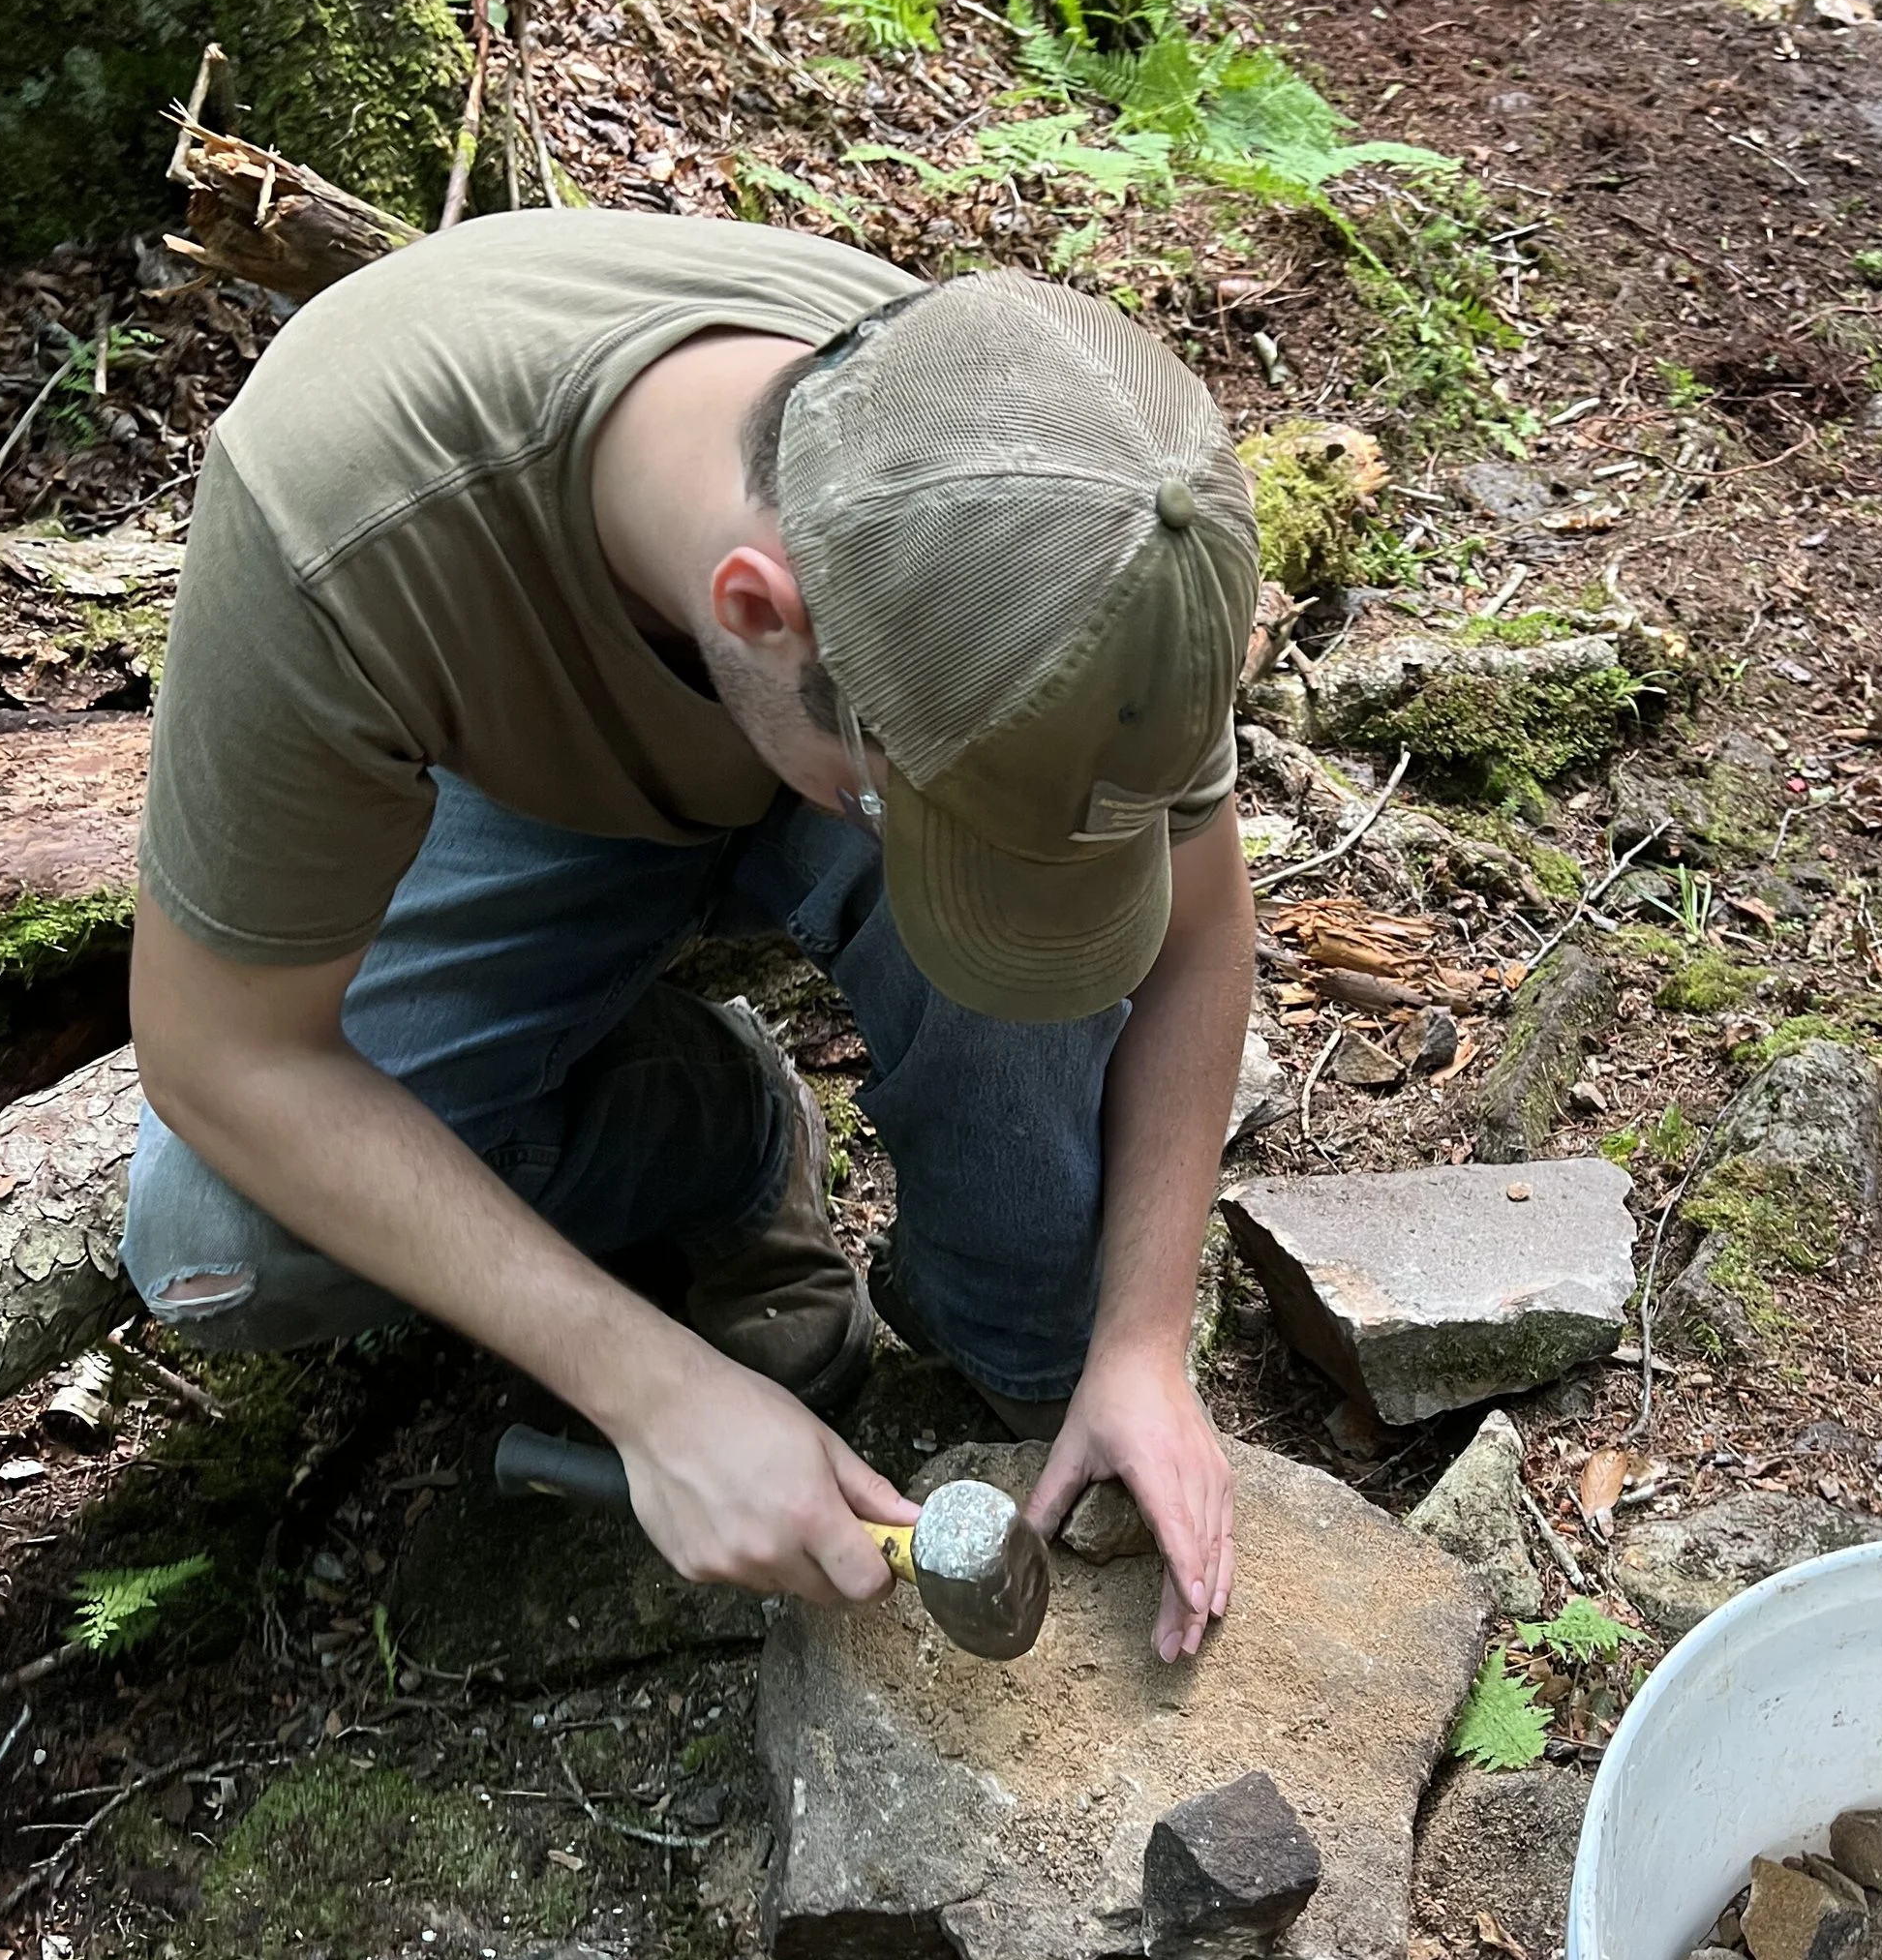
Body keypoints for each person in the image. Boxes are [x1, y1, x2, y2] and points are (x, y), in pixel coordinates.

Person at [122, 213, 1260, 1665]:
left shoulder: (1059, 516)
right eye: (937, 827)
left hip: (840, 744)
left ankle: (1011, 1323)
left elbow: (1204, 909)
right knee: (220, 1243)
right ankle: (722, 1131)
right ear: (756, 611)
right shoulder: (340, 517)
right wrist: (651, 1388)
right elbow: (219, 1055)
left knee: (1044, 1315)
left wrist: (1141, 1341)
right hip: (516, 778)